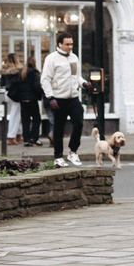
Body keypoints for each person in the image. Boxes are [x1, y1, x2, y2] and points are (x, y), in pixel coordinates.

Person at [41, 33, 84, 167]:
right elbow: (45, 79)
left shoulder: (74, 58)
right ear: (59, 44)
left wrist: (84, 83)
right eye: (67, 44)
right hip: (58, 99)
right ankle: (58, 157)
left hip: (73, 98)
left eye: (71, 44)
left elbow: (76, 76)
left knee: (79, 123)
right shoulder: (51, 59)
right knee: (59, 129)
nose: (70, 46)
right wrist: (50, 97)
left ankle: (73, 151)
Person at [11, 52, 44, 147]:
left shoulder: (22, 72)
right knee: (36, 119)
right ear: (34, 63)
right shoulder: (35, 73)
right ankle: (34, 138)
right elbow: (37, 87)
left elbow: (16, 85)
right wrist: (40, 95)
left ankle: (26, 139)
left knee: (25, 120)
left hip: (23, 100)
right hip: (32, 100)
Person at [0, 51, 23, 142]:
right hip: (16, 94)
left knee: (17, 114)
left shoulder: (4, 70)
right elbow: (19, 83)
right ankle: (11, 136)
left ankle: (18, 135)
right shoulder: (19, 70)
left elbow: (2, 83)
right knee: (15, 115)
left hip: (7, 94)